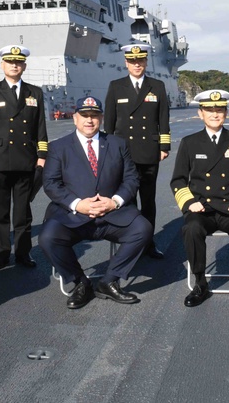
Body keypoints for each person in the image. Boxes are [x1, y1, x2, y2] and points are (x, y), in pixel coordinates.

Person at [39, 96, 152, 309]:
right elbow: (51, 184)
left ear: (100, 118)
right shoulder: (58, 147)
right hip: (73, 214)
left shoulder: (118, 144)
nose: (89, 120)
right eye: (84, 115)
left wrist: (115, 202)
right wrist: (77, 204)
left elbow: (131, 178)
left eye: (94, 116)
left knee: (143, 229)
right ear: (75, 118)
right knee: (47, 238)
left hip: (111, 213)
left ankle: (109, 281)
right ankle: (81, 282)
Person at [173, 90, 229, 309]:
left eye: (219, 110)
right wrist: (189, 202)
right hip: (201, 208)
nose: (215, 114)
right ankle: (200, 283)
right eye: (210, 110)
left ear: (226, 113)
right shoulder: (190, 142)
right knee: (191, 228)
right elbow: (178, 180)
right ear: (200, 114)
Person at [0, 45, 48, 271]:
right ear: (2, 65)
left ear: (24, 66)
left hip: (26, 159)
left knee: (22, 212)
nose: (14, 65)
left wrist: (42, 155)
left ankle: (23, 253)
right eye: (10, 62)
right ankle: (1, 254)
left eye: (18, 62)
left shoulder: (34, 93)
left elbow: (40, 127)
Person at [104, 42, 171, 259]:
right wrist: (109, 149)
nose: (137, 64)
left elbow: (163, 118)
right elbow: (110, 123)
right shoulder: (116, 86)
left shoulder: (157, 86)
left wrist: (164, 146)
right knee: (128, 200)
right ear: (126, 63)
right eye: (132, 61)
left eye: (140, 60)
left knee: (148, 201)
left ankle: (148, 243)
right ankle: (132, 242)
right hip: (124, 152)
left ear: (145, 61)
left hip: (149, 151)